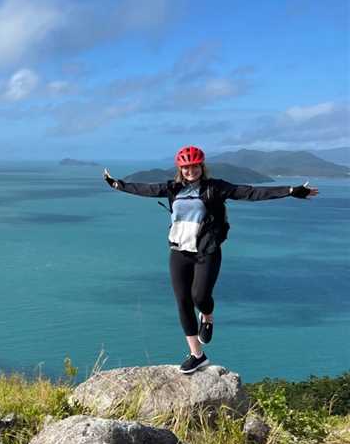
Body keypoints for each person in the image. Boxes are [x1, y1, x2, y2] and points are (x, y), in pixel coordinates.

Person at [102, 146, 319, 373]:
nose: (190, 171)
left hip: (206, 251)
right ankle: (197, 355)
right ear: (180, 169)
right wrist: (116, 184)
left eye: (194, 166)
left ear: (201, 166)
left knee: (200, 296)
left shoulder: (214, 188)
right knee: (183, 302)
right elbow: (144, 189)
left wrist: (291, 190)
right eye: (185, 167)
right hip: (179, 251)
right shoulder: (173, 188)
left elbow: (250, 192)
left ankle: (207, 315)